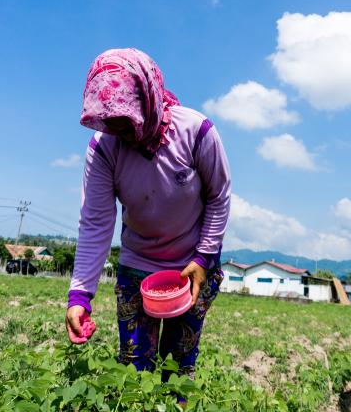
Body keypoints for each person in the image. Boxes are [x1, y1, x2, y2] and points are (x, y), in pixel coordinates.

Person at [65, 48, 231, 380]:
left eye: (125, 120)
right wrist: (80, 294)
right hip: (137, 266)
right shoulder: (103, 149)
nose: (119, 130)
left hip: (192, 267)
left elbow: (218, 196)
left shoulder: (196, 131)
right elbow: (96, 221)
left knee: (177, 364)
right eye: (110, 121)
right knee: (133, 368)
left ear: (148, 99)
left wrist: (203, 258)